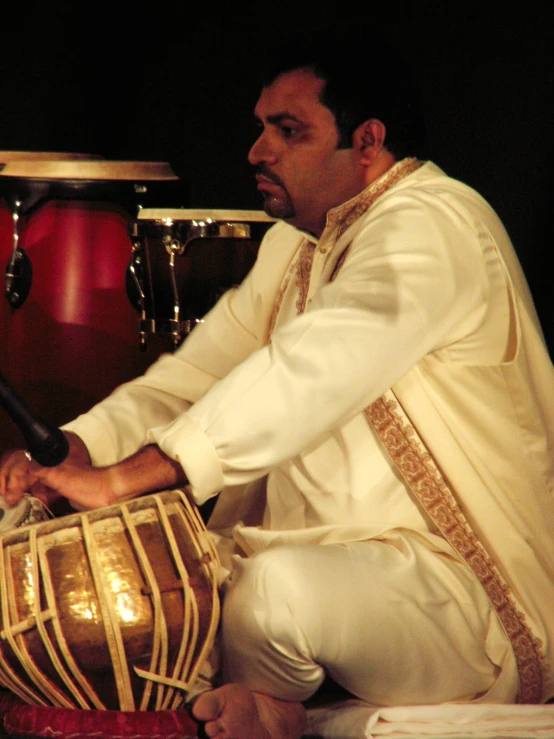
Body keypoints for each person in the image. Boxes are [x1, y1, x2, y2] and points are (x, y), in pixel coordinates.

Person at [2, 22, 554, 739]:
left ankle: (297, 712)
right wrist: (77, 451)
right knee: (190, 581)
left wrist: (130, 477)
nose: (256, 151)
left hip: (463, 595)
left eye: (288, 130)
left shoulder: (436, 223)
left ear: (367, 142)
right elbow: (193, 378)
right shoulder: (301, 244)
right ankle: (290, 712)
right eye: (261, 128)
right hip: (332, 576)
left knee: (273, 597)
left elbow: (314, 366)